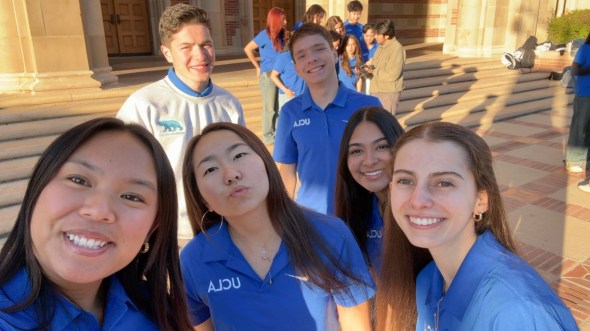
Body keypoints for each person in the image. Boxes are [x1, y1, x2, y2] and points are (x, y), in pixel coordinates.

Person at [377, 121, 579, 330]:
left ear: (480, 201)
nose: (418, 200)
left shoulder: (516, 312)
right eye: (405, 180)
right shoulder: (428, 280)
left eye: (444, 183)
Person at [0, 118, 192, 330]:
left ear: (152, 228)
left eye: (132, 197)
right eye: (79, 180)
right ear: (36, 191)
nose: (100, 211)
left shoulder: (158, 310)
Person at [180, 122, 375, 331]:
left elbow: (355, 323)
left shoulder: (331, 235)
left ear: (266, 163)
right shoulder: (193, 260)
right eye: (210, 169)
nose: (231, 175)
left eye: (239, 156)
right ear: (202, 199)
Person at [117, 4, 245, 242]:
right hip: (169, 235)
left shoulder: (230, 104)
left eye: (206, 44)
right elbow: (121, 175)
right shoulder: (144, 105)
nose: (201, 55)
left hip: (225, 229)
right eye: (186, 47)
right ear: (167, 53)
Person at [273, 23, 382, 214]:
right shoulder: (290, 112)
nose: (312, 59)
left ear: (334, 54)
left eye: (319, 49)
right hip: (312, 219)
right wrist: (283, 217)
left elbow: (388, 163)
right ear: (297, 68)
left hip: (362, 217)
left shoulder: (369, 106)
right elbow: (287, 172)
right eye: (302, 55)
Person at [334, 107, 404, 276]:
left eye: (382, 147)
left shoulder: (423, 208)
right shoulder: (358, 210)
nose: (370, 161)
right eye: (357, 151)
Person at [244, 7, 287, 145]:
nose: (285, 22)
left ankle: (278, 133)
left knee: (279, 107)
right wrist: (257, 67)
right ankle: (268, 136)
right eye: (283, 19)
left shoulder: (282, 35)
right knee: (270, 108)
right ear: (276, 21)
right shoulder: (264, 35)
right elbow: (248, 48)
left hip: (280, 75)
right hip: (268, 76)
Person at [565, 31, 590, 193]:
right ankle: (574, 161)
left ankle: (585, 158)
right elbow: (575, 70)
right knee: (580, 128)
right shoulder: (585, 50)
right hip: (585, 94)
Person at [367, 19, 405, 115]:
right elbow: (375, 65)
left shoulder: (396, 49)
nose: (375, 37)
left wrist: (373, 70)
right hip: (376, 89)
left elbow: (392, 75)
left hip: (388, 93)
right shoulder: (381, 46)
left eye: (377, 34)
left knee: (385, 124)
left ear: (387, 36)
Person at [270, 32, 306, 112]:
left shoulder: (303, 55)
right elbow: (273, 76)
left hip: (302, 96)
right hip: (288, 96)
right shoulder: (283, 57)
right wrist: (286, 90)